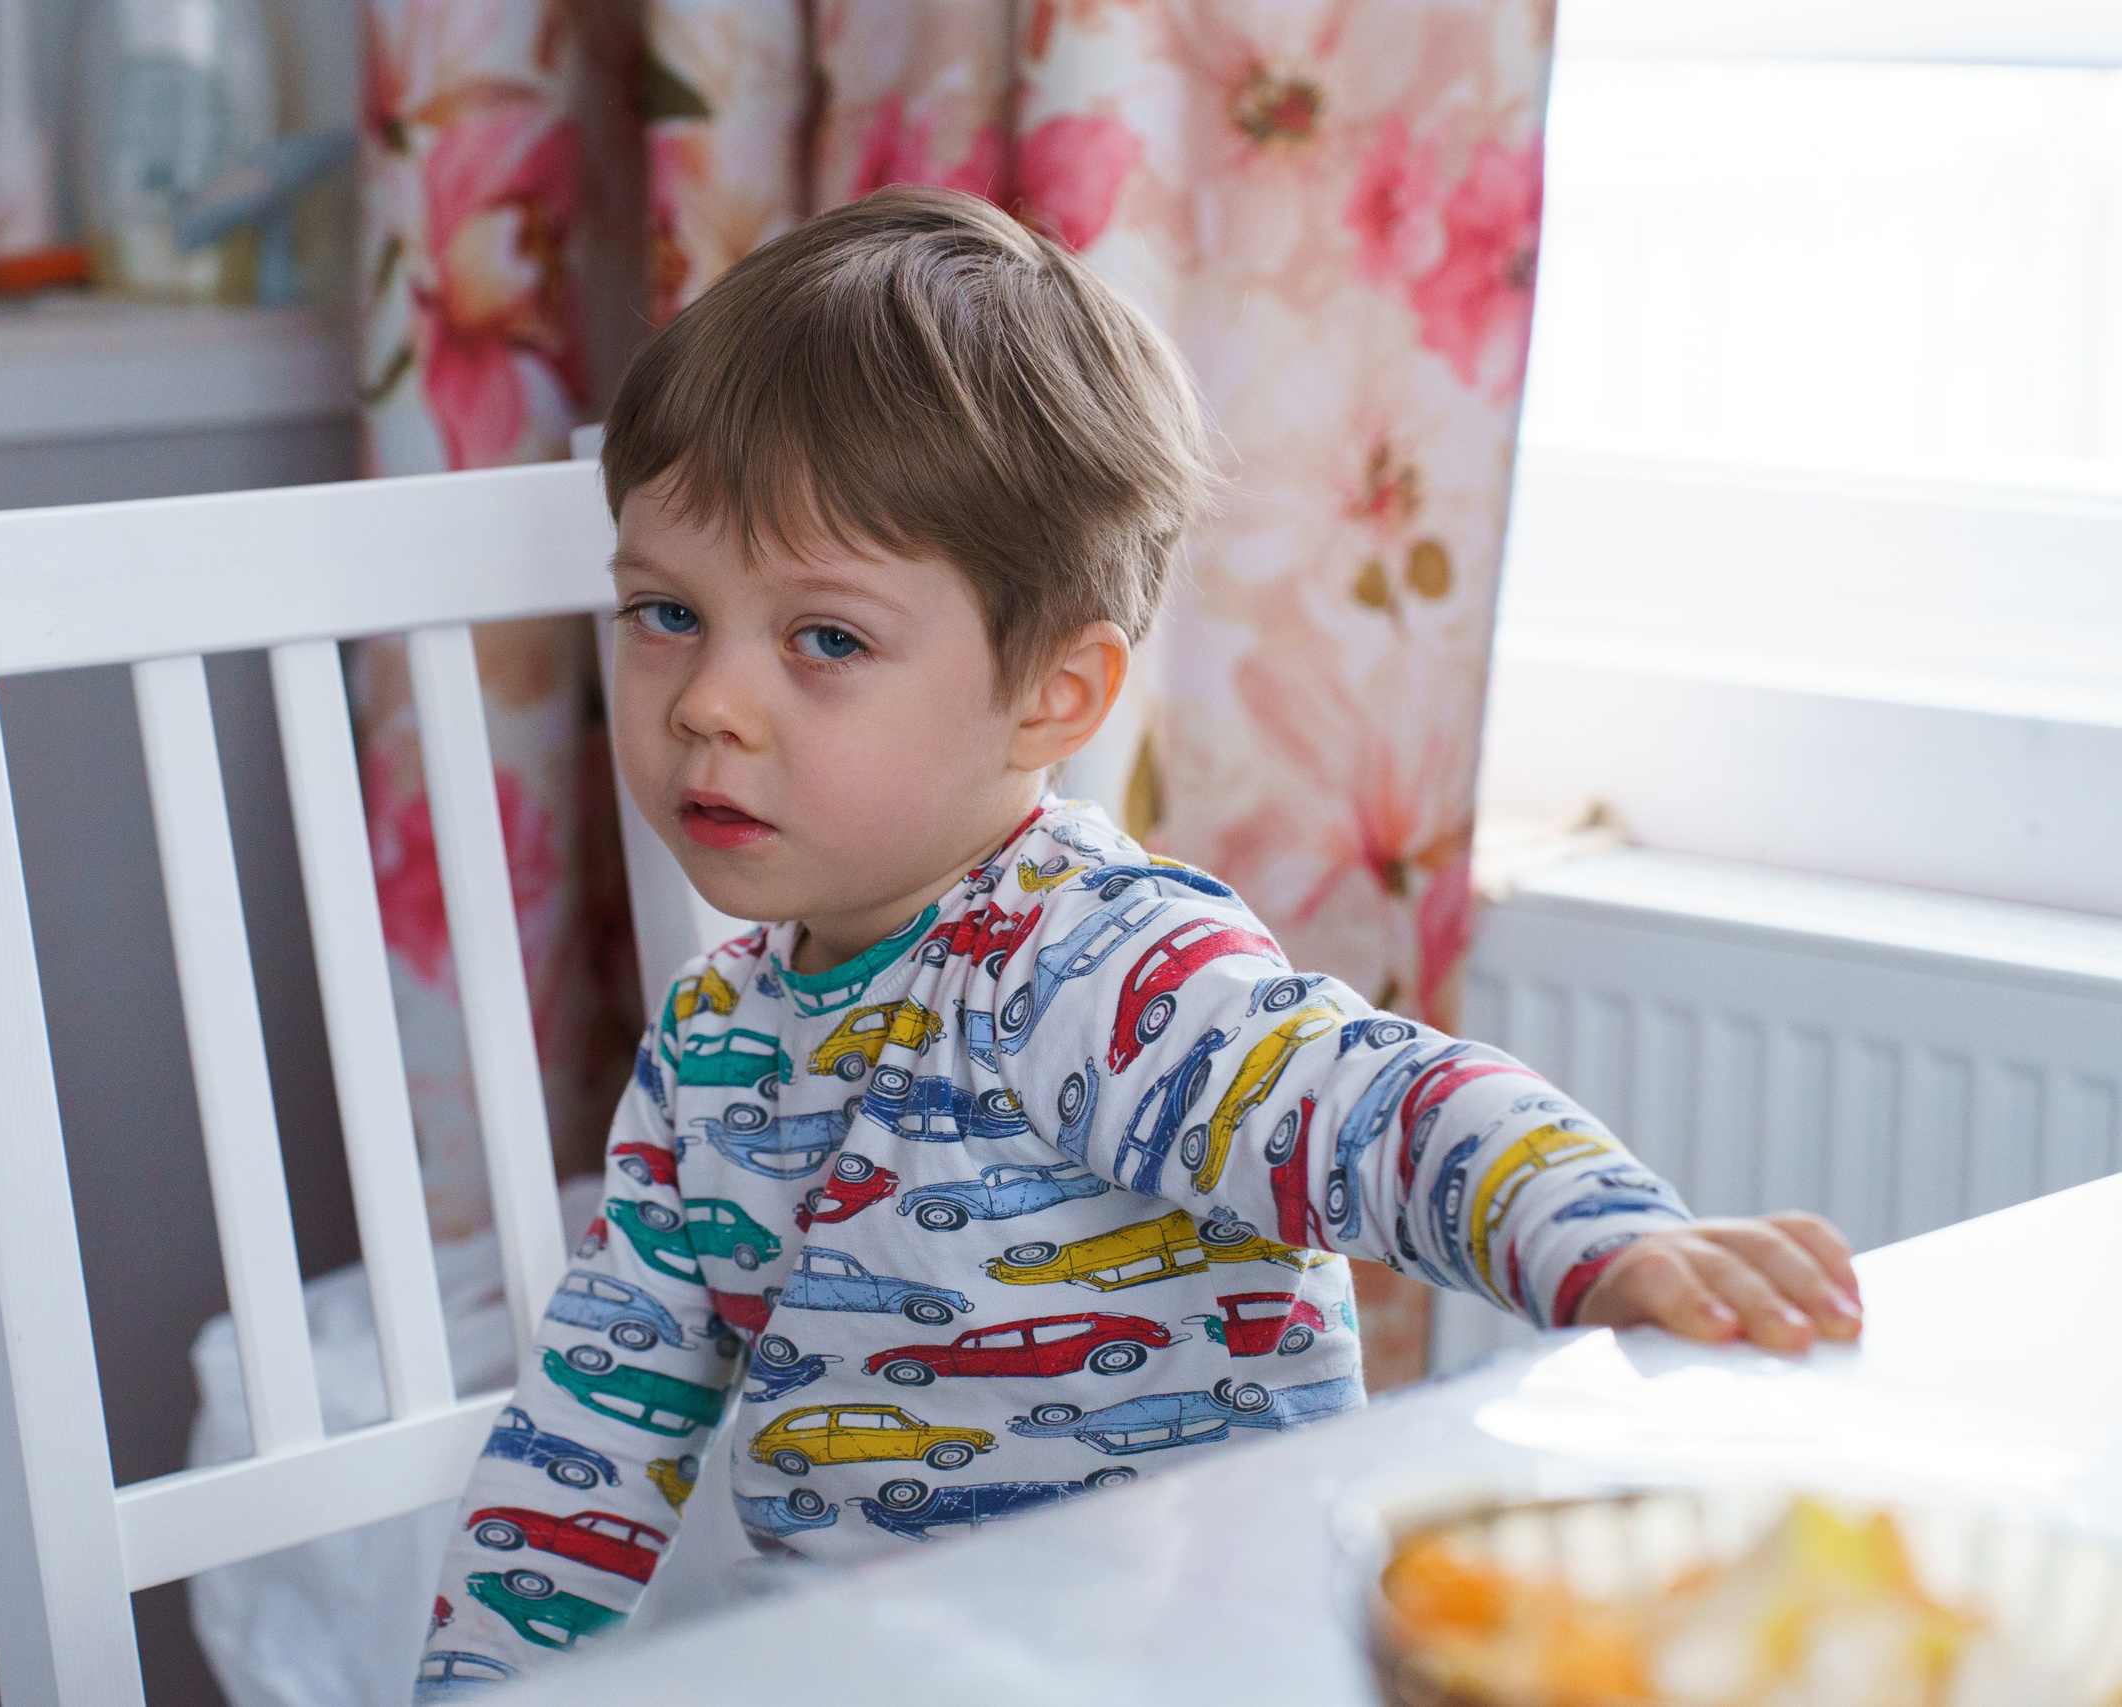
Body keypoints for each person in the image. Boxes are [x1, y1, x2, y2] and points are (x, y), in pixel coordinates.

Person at [416, 186, 1860, 1685]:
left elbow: (1387, 1108)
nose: (708, 700)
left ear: (1054, 695)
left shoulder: (1098, 971)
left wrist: (1613, 1240)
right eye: (664, 612)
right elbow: (596, 1420)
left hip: (1198, 1662)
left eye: (824, 639)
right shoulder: (712, 1046)